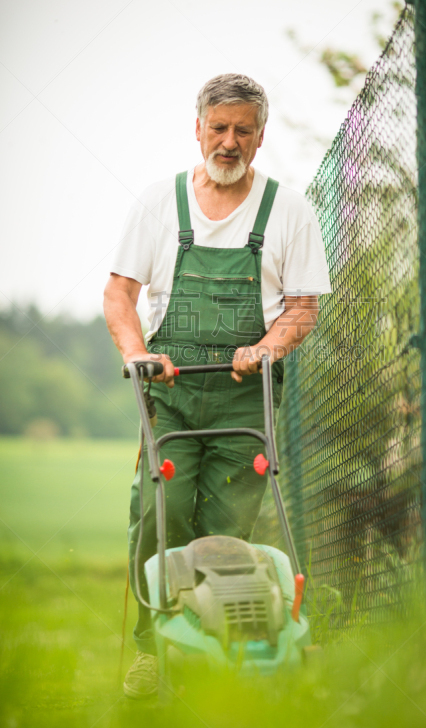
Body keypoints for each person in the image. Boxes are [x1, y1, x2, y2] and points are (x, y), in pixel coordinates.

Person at [104, 73, 331, 698]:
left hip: (243, 396)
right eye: (219, 128)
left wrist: (265, 347)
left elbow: (303, 305)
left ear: (260, 139)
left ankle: (225, 654)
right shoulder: (158, 203)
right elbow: (120, 294)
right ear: (198, 129)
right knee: (163, 512)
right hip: (171, 395)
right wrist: (137, 353)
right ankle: (153, 648)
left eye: (243, 131)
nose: (229, 141)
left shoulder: (289, 210)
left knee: (227, 530)